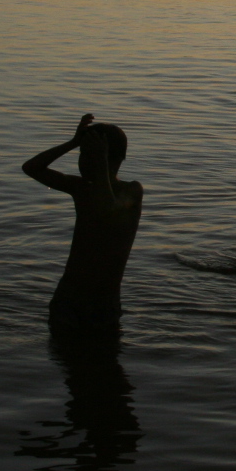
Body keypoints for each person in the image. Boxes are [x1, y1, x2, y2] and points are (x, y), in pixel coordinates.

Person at [23, 114, 142, 324]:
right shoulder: (81, 188)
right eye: (83, 154)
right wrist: (72, 142)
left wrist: (100, 164)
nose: (83, 162)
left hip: (102, 304)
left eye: (89, 155)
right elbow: (31, 168)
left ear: (110, 158)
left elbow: (107, 210)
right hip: (68, 299)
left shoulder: (131, 191)